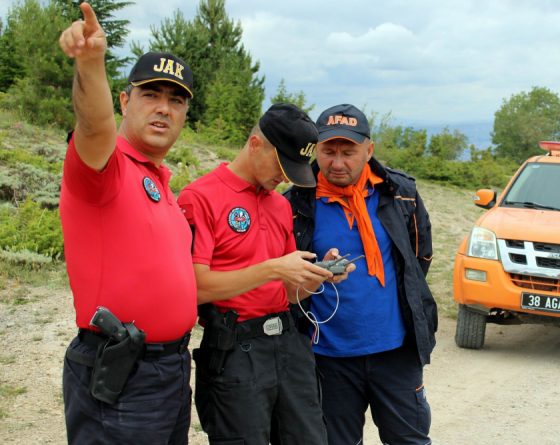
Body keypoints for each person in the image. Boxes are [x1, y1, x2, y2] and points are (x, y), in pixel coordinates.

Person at [59, 3, 197, 444]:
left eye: (175, 100)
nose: (163, 109)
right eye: (150, 95)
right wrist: (91, 62)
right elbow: (94, 125)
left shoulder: (159, 181)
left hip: (171, 370)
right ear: (125, 100)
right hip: (121, 372)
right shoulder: (105, 167)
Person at [177, 103, 350, 444]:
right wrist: (272, 268)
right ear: (255, 144)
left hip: (288, 345)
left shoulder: (280, 204)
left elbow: (288, 293)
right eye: (281, 164)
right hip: (235, 350)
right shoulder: (200, 197)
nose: (284, 177)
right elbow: (194, 288)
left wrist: (315, 278)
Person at [285, 104, 437, 445]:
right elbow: (287, 276)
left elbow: (418, 259)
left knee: (409, 440)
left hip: (395, 351)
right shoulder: (295, 204)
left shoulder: (401, 194)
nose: (338, 163)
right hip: (328, 357)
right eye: (329, 151)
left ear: (369, 150)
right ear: (316, 151)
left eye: (348, 151)